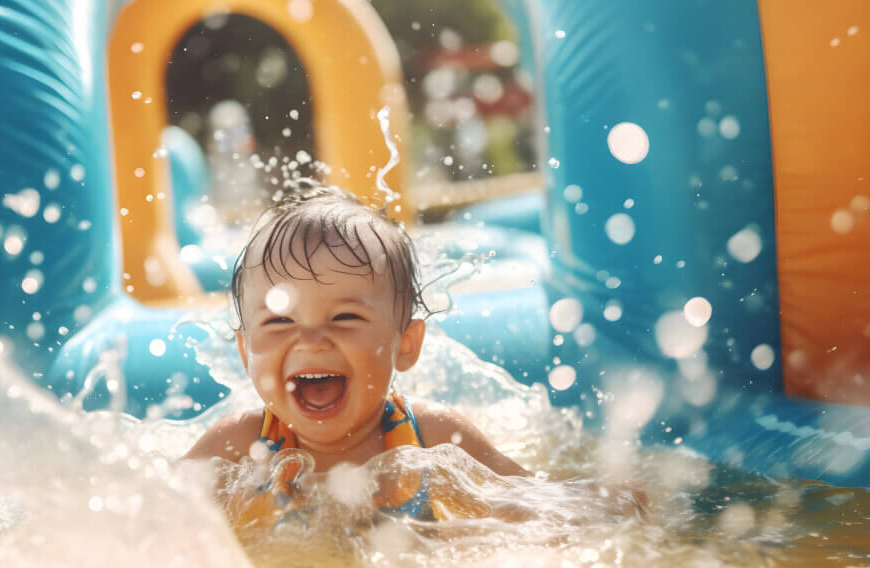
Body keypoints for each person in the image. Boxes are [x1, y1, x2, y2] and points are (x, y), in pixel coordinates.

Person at [184, 182, 639, 528]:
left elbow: (528, 502)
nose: (311, 341)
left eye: (344, 317)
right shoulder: (237, 448)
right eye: (280, 321)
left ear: (407, 344)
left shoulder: (434, 439)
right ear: (245, 352)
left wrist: (606, 505)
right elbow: (151, 521)